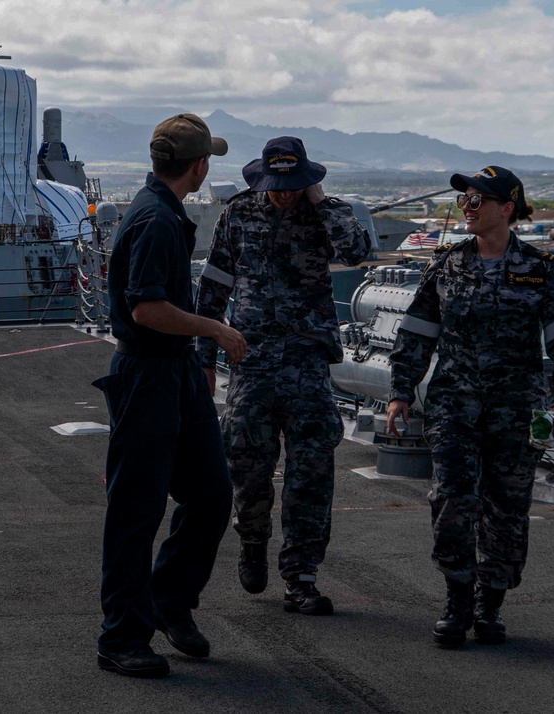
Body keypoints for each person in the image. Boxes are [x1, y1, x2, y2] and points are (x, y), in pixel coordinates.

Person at [387, 166, 554, 647]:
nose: (469, 207)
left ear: (508, 209)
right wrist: (399, 391)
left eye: (480, 200)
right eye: (465, 200)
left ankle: (490, 603)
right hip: (454, 404)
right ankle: (457, 598)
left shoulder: (541, 268)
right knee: (452, 497)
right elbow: (417, 332)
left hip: (517, 408)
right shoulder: (447, 264)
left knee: (507, 503)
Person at [93, 114, 247, 678]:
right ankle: (121, 637)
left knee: (209, 494)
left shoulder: (159, 208)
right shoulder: (156, 220)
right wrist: (217, 330)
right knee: (135, 514)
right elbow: (145, 309)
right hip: (149, 377)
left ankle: (167, 601)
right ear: (200, 165)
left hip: (174, 375)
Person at [195, 136, 370, 615]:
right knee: (247, 466)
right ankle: (253, 539)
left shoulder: (323, 212)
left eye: (294, 185)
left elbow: (357, 253)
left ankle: (301, 577)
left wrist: (321, 199)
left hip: (307, 363)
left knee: (311, 473)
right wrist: (203, 359)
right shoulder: (238, 214)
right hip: (252, 361)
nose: (285, 193)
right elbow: (214, 285)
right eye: (278, 185)